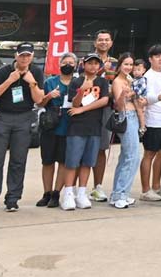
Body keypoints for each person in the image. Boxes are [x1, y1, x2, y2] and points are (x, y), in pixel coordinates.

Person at [0, 42, 45, 213]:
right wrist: (9, 81)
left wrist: (32, 83)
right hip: (3, 117)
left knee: (18, 160)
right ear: (16, 56)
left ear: (32, 57)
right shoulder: (4, 71)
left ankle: (12, 198)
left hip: (24, 118)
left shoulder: (36, 72)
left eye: (28, 55)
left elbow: (39, 99)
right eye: (22, 55)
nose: (25, 58)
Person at [58, 53, 111, 210]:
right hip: (76, 128)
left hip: (94, 127)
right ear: (83, 64)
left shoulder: (102, 82)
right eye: (90, 63)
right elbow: (74, 103)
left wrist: (83, 110)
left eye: (96, 63)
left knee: (88, 161)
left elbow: (104, 100)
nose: (93, 66)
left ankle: (82, 192)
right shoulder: (76, 81)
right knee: (72, 161)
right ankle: (68, 193)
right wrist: (82, 90)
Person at [36, 51, 77, 208]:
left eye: (71, 63)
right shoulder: (50, 82)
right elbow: (39, 103)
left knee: (63, 161)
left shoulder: (78, 82)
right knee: (47, 161)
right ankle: (46, 192)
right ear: (59, 64)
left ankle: (56, 193)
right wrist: (49, 96)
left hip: (69, 126)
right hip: (50, 125)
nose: (68, 65)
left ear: (76, 65)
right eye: (65, 62)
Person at [137, 43, 161, 201]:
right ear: (150, 59)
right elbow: (144, 98)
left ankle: (157, 186)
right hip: (152, 120)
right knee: (149, 153)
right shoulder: (148, 76)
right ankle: (146, 190)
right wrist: (160, 97)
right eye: (157, 56)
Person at [110, 53, 145, 209]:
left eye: (131, 65)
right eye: (126, 64)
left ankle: (118, 194)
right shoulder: (118, 81)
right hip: (126, 116)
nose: (129, 67)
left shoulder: (130, 79)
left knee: (127, 157)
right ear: (119, 65)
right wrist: (124, 95)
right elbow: (118, 105)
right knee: (132, 157)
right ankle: (120, 194)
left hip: (133, 116)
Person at [89, 29, 116, 202]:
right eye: (100, 39)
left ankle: (97, 186)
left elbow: (118, 82)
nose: (103, 42)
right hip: (87, 108)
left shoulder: (115, 63)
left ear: (111, 43)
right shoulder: (86, 60)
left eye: (107, 40)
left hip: (106, 108)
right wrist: (100, 71)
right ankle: (77, 188)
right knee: (83, 146)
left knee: (101, 148)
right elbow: (83, 80)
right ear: (95, 42)